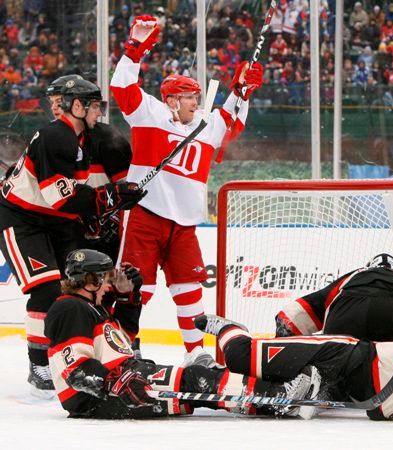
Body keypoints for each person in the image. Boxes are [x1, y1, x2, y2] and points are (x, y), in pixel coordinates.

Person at [109, 15, 264, 356]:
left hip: (184, 225)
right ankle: (123, 350)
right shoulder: (149, 113)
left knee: (190, 288)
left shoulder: (207, 126)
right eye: (188, 96)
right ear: (172, 100)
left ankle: (197, 355)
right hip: (145, 215)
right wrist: (135, 49)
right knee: (136, 288)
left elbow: (232, 117)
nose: (195, 101)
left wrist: (243, 90)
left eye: (196, 96)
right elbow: (123, 89)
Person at [45, 249, 320, 419]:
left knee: (201, 376)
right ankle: (278, 398)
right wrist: (116, 384)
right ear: (90, 281)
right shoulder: (70, 308)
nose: (110, 283)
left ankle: (272, 396)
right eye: (105, 278)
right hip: (97, 399)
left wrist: (129, 298)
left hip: (118, 381)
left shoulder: (93, 309)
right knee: (196, 379)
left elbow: (122, 343)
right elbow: (77, 370)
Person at [0, 78, 146, 397]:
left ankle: (76, 354)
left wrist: (113, 199)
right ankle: (39, 366)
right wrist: (109, 198)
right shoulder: (56, 136)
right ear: (76, 106)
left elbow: (74, 197)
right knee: (47, 289)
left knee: (78, 287)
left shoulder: (85, 137)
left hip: (58, 222)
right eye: (94, 106)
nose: (98, 112)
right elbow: (58, 196)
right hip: (23, 219)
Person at [196, 314, 393, 428]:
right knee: (239, 355)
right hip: (338, 355)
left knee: (266, 394)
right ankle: (230, 329)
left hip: (338, 382)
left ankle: (209, 369)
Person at [46, 74, 133, 261]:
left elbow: (127, 189)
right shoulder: (50, 138)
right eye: (52, 102)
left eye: (59, 101)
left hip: (103, 228)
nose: (54, 107)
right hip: (66, 227)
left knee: (105, 284)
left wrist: (111, 219)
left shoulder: (106, 137)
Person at [275, 253, 393, 341]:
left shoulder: (355, 275)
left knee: (332, 369)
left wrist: (281, 351)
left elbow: (293, 314)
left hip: (350, 305)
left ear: (368, 267)